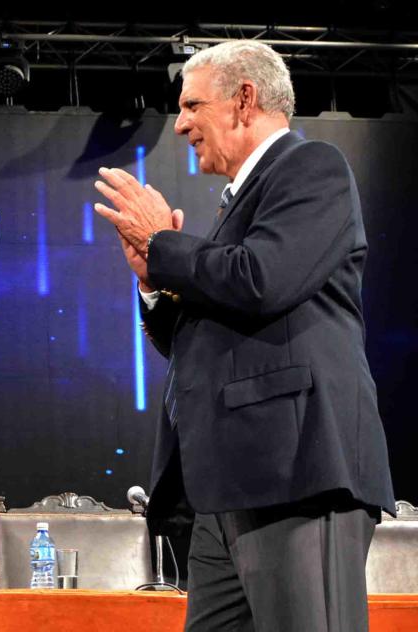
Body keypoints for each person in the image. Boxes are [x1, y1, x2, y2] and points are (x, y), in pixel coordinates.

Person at [93, 40, 394, 631]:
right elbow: (209, 336)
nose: (180, 125)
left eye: (191, 106)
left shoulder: (312, 168)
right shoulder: (237, 205)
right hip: (227, 486)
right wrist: (155, 283)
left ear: (244, 100)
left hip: (298, 471)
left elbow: (262, 280)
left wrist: (165, 246)